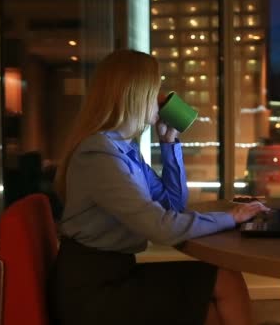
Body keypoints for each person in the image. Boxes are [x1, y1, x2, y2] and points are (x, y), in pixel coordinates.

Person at [50, 49, 268, 325]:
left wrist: (169, 144)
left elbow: (173, 205)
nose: (161, 98)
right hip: (93, 292)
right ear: (137, 94)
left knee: (221, 288)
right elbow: (161, 227)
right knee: (216, 294)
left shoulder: (123, 150)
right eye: (156, 90)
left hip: (117, 273)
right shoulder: (99, 155)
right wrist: (231, 217)